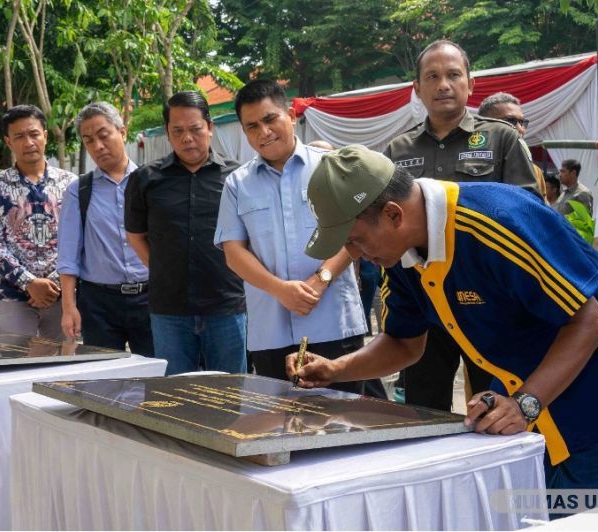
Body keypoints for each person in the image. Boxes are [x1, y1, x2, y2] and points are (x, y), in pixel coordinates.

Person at [290, 144, 598, 490]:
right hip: (527, 374)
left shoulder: (495, 222)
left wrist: (525, 404)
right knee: (524, 501)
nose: (353, 254)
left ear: (393, 214)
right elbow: (404, 343)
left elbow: (591, 321)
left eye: (355, 239)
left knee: (585, 507)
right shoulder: (399, 255)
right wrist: (336, 370)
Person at [383, 40, 539, 411]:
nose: (443, 85)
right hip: (426, 298)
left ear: (470, 83)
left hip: (491, 302)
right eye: (432, 77)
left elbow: (530, 213)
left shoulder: (501, 138)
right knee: (423, 408)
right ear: (417, 89)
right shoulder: (398, 151)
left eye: (453, 75)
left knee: (494, 404)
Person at [214, 79, 384, 397]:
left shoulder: (333, 168)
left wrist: (321, 279)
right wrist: (280, 290)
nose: (263, 132)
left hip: (333, 320)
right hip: (271, 331)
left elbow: (356, 234)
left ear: (291, 115)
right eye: (251, 126)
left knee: (342, 420)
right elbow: (233, 252)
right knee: (278, 424)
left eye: (270, 119)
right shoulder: (237, 184)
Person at [125, 91, 246, 374]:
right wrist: (161, 268)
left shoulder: (238, 177)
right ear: (167, 133)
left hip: (226, 305)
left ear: (210, 128)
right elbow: (135, 234)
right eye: (177, 131)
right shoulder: (145, 179)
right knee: (175, 396)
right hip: (169, 309)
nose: (187, 138)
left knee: (230, 393)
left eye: (195, 129)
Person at [57, 102, 153, 354]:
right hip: (99, 303)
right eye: (88, 141)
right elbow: (68, 254)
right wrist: (69, 307)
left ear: (122, 131)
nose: (97, 146)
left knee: (156, 375)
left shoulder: (151, 182)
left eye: (103, 135)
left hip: (150, 298)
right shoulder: (79, 190)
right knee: (103, 380)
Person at [0, 104, 76, 340]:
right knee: (13, 367)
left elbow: (80, 240)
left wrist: (52, 284)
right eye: (19, 136)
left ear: (45, 135)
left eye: (34, 134)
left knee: (64, 369)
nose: (28, 142)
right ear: (8, 141)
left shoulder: (71, 184)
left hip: (62, 296)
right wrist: (29, 283)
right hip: (14, 296)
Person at [477, 91, 547, 199]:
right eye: (510, 121)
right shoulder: (466, 159)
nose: (520, 129)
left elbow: (538, 209)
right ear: (485, 125)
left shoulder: (534, 170)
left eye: (522, 122)